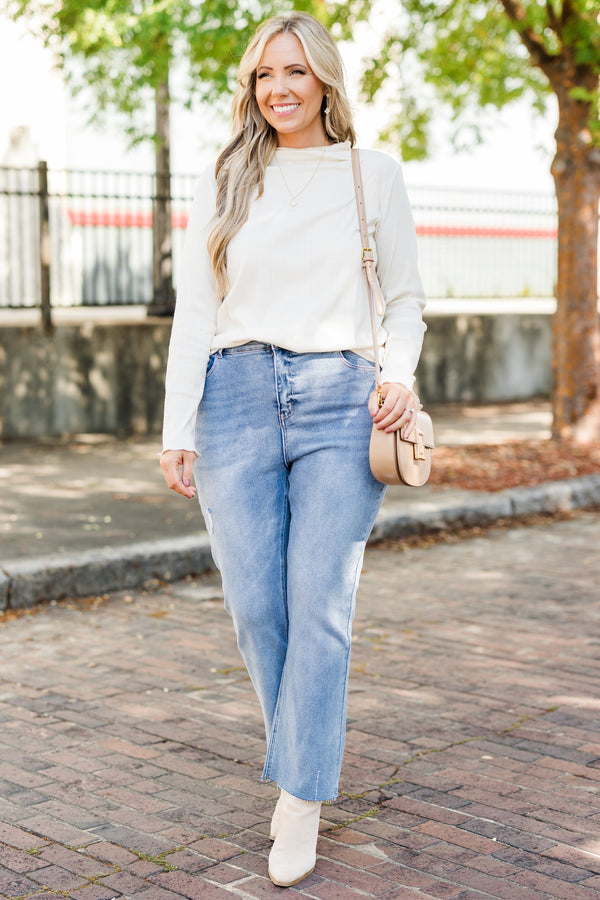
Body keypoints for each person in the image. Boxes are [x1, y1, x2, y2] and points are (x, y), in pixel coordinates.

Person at [160, 10, 426, 888]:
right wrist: (177, 426)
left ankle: (301, 796)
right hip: (233, 394)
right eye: (265, 74)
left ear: (325, 81)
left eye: (296, 71)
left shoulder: (372, 174)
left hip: (342, 399)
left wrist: (399, 375)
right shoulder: (228, 176)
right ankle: (301, 757)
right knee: (254, 608)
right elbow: (196, 309)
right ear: (252, 86)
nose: (279, 88)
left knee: (320, 604)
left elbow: (405, 301)